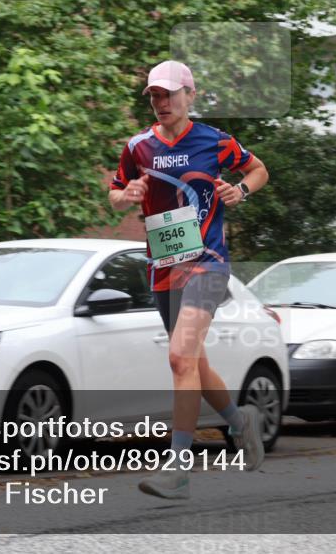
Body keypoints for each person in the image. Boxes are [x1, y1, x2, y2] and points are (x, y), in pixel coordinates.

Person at [109, 60, 270, 499]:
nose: (162, 102)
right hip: (164, 267)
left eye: (169, 94)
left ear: (190, 95)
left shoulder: (214, 141)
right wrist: (126, 195)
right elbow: (116, 191)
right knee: (193, 364)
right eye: (155, 96)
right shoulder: (138, 146)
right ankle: (240, 422)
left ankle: (178, 467)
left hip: (209, 263)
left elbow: (258, 169)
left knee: (180, 358)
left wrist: (241, 190)